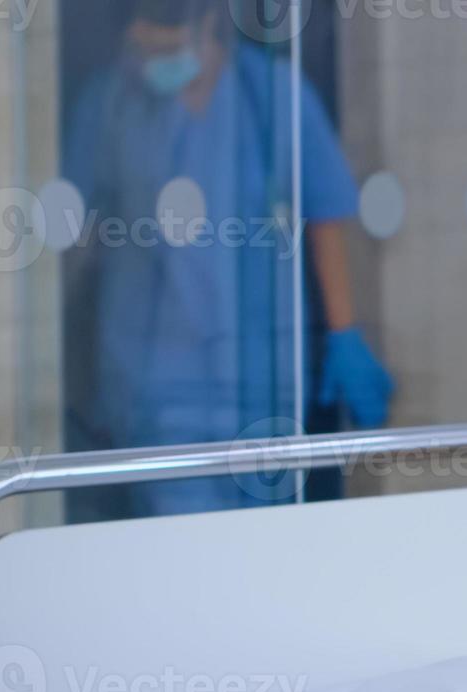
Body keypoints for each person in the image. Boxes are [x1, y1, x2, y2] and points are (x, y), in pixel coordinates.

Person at [61, 0, 391, 518]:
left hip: (262, 385)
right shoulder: (112, 105)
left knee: (267, 552)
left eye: (167, 48)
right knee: (185, 548)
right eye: (142, 50)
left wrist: (344, 334)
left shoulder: (271, 97)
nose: (153, 65)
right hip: (154, 383)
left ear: (208, 23)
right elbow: (76, 238)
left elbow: (325, 215)